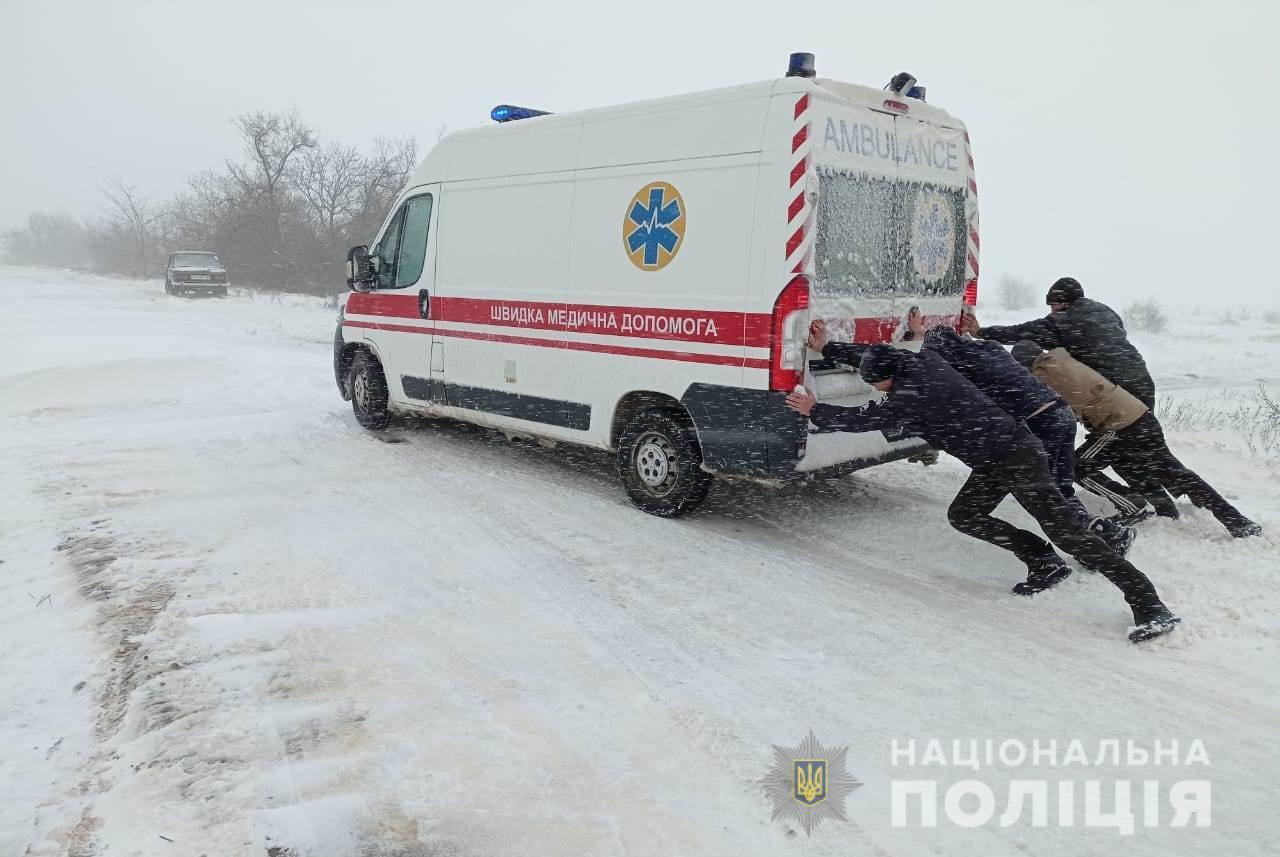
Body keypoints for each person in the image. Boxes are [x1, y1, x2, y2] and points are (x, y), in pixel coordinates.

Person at [785, 343, 1180, 643]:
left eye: (876, 383)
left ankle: (1149, 604)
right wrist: (831, 349)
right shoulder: (921, 362)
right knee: (965, 515)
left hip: (1016, 456)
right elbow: (878, 357)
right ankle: (1043, 561)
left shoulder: (911, 394)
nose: (876, 389)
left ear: (890, 377)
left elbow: (864, 419)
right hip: (998, 456)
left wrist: (813, 409)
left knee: (1069, 534)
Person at [809, 318, 1135, 553]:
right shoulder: (985, 349)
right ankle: (1096, 533)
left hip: (1037, 423)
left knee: (1047, 495)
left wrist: (829, 350)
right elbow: (894, 357)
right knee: (1058, 485)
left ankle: (1094, 541)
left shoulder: (940, 365)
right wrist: (926, 333)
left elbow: (882, 361)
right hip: (1059, 412)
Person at [962, 277, 1177, 518]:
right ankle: (1163, 502)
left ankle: (1142, 504)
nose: (1051, 311)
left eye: (1053, 305)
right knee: (1130, 451)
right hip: (1139, 387)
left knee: (1097, 459)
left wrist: (982, 332)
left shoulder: (1065, 321)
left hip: (1116, 397)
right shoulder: (1104, 312)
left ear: (1063, 303)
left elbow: (1024, 332)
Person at [1011, 340, 1263, 539]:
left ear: (1024, 364)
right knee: (1174, 472)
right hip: (1140, 416)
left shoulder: (1043, 373)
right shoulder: (1061, 358)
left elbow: (1040, 408)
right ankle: (1236, 521)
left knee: (1079, 467)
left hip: (1118, 425)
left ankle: (1134, 505)